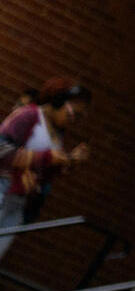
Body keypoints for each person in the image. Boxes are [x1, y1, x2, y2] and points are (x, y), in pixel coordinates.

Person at [0, 79, 91, 260]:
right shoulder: (29, 115)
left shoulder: (58, 135)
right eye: (75, 114)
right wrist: (48, 157)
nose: (75, 121)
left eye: (80, 118)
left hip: (18, 203)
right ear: (58, 100)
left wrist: (69, 162)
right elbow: (2, 151)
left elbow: (42, 173)